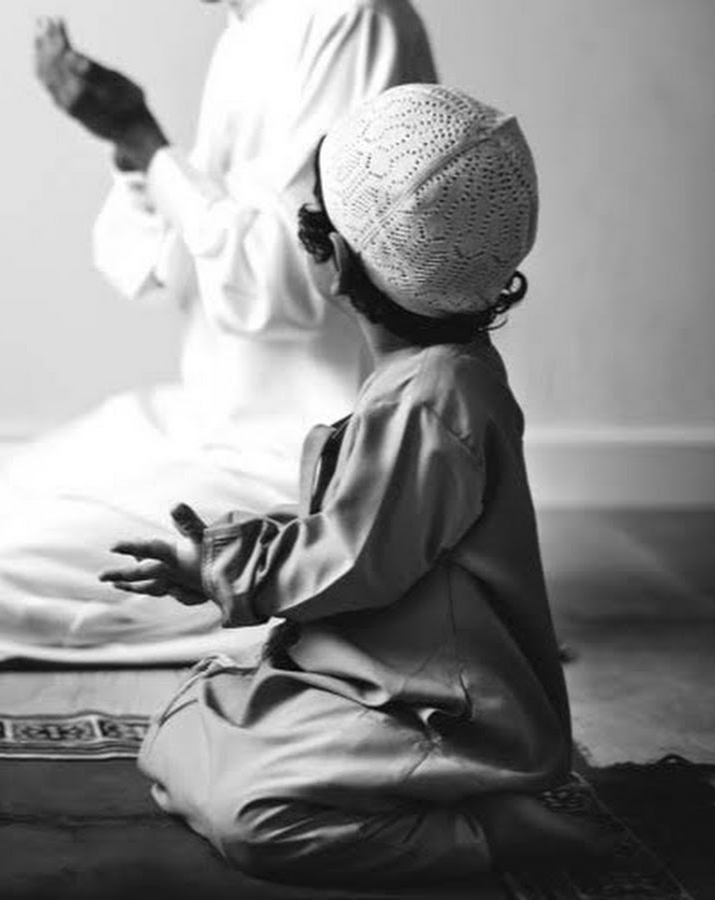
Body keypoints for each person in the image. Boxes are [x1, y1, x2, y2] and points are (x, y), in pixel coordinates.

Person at [101, 84, 599, 884]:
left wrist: (225, 569)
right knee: (182, 728)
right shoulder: (431, 375)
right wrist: (232, 550)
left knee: (252, 818)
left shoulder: (432, 398)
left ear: (332, 256)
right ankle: (350, 763)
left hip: (446, 707)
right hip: (374, 671)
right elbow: (363, 523)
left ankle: (486, 828)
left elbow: (357, 555)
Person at [0, 0, 437, 664]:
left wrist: (145, 142)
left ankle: (323, 595)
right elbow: (175, 264)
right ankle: (273, 587)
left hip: (310, 456)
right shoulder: (247, 30)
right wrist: (132, 149)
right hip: (211, 420)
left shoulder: (352, 19)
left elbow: (293, 283)